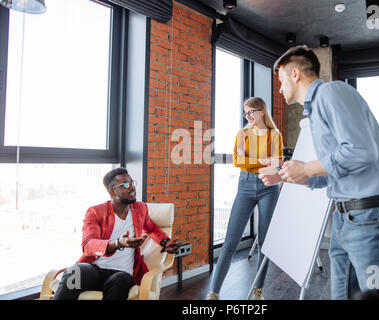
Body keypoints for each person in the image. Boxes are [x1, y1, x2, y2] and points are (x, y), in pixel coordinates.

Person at [259, 45, 379, 300]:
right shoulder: (315, 112)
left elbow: (362, 151)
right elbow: (336, 171)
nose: (279, 88)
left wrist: (307, 167)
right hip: (346, 221)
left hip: (373, 219)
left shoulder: (331, 93)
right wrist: (285, 175)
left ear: (295, 73)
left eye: (281, 79)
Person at [53, 167, 179, 300]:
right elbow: (88, 245)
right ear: (112, 191)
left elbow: (152, 229)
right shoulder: (96, 212)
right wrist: (118, 243)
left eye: (132, 183)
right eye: (125, 185)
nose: (132, 187)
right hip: (94, 269)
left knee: (120, 282)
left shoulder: (140, 209)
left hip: (122, 273)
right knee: (75, 271)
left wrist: (165, 242)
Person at [206, 97, 283, 300]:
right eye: (245, 113)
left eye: (251, 112)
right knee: (231, 241)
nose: (247, 116)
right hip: (245, 186)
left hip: (269, 187)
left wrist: (260, 162)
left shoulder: (274, 135)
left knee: (265, 243)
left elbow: (276, 163)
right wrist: (261, 161)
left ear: (262, 111)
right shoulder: (242, 134)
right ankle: (213, 293)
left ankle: (258, 290)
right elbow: (238, 162)